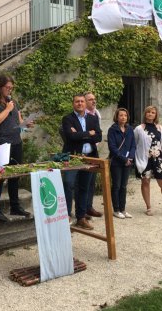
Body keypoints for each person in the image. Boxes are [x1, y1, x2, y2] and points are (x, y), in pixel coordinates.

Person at [0, 74, 33, 223]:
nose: (10, 90)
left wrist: (26, 124)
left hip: (16, 143)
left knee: (15, 176)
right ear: (0, 87)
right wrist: (7, 109)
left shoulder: (13, 102)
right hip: (1, 144)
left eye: (11, 88)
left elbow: (19, 123)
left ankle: (15, 206)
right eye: (7, 88)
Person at [61, 94, 102, 230]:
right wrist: (88, 133)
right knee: (68, 184)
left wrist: (80, 134)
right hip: (73, 157)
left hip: (89, 157)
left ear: (85, 104)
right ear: (73, 104)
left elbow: (99, 136)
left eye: (82, 101)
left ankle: (81, 218)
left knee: (84, 187)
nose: (80, 103)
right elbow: (70, 136)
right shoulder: (68, 119)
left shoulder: (92, 118)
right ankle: (65, 216)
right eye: (77, 101)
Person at [108, 108, 136, 219]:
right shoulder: (112, 130)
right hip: (117, 162)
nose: (123, 117)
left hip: (127, 162)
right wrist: (124, 159)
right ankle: (116, 209)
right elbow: (113, 148)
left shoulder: (129, 129)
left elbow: (133, 145)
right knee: (116, 186)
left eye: (125, 115)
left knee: (124, 186)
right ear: (117, 117)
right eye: (121, 115)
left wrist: (130, 158)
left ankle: (123, 209)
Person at [84, 92, 103, 219]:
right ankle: (82, 210)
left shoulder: (96, 114)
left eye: (94, 99)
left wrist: (90, 135)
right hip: (82, 153)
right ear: (84, 102)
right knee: (83, 182)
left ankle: (89, 207)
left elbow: (99, 135)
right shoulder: (81, 115)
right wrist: (88, 135)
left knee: (91, 181)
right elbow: (75, 135)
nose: (93, 101)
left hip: (93, 151)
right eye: (90, 99)